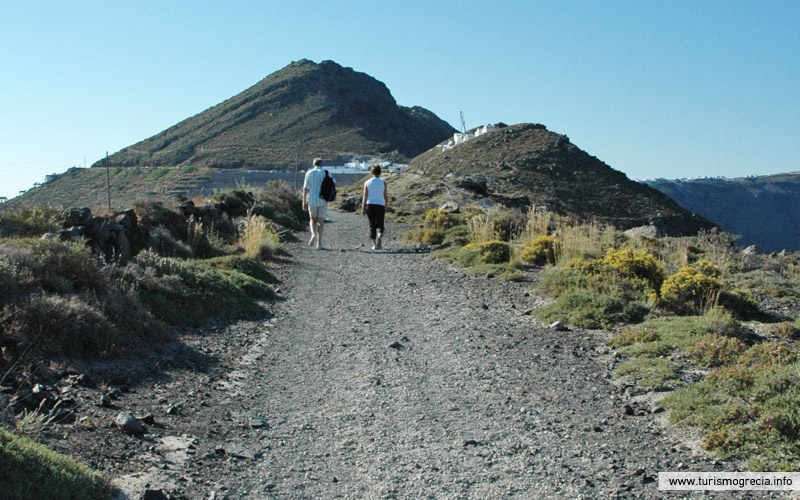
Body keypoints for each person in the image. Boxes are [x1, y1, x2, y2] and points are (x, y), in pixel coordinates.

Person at [302, 157, 327, 250]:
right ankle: (319, 243)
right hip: (323, 200)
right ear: (321, 164)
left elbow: (305, 188)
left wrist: (304, 201)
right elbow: (333, 184)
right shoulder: (326, 173)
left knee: (312, 219)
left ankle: (313, 234)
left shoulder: (309, 173)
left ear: (313, 164)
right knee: (321, 222)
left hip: (312, 199)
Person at [362, 164, 388, 250]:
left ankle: (374, 244)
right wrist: (386, 205)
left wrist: (363, 208)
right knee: (380, 223)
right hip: (380, 204)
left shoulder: (367, 182)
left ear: (372, 172)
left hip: (370, 204)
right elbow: (385, 195)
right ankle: (380, 235)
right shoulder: (383, 182)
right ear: (380, 172)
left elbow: (365, 196)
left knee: (372, 225)